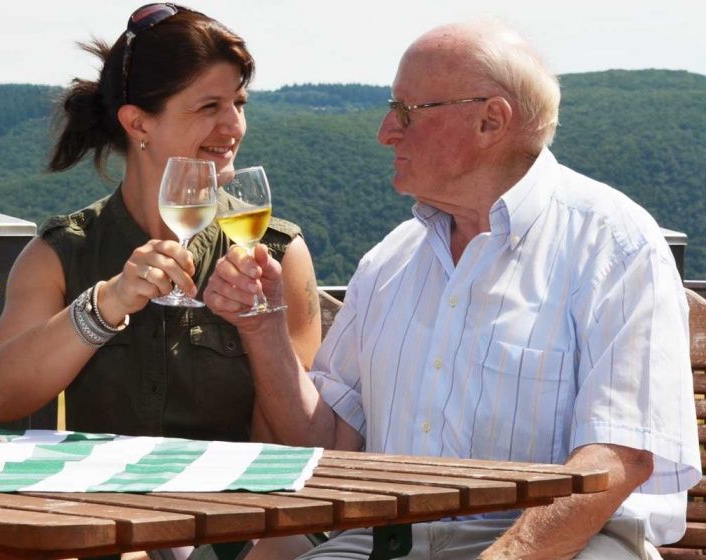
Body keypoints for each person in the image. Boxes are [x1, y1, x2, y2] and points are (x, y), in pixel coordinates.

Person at [204, 20, 701, 560]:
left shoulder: (615, 246)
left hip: (567, 544)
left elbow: (619, 457)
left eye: (406, 112)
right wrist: (264, 328)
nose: (385, 131)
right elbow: (327, 446)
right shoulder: (391, 260)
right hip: (391, 539)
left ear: (491, 120)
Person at [0, 3, 321, 445]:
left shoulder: (276, 253)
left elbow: (300, 438)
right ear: (138, 122)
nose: (234, 125)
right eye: (209, 106)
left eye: (238, 103)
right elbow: (1, 398)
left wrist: (260, 326)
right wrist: (106, 304)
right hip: (101, 508)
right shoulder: (63, 251)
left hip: (234, 507)